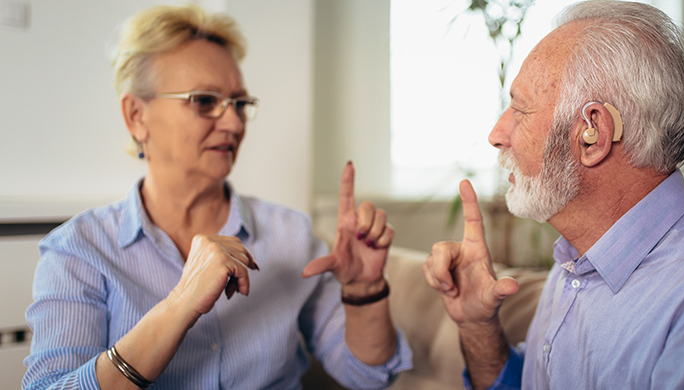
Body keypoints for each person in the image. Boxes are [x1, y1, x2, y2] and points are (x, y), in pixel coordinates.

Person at [23, 4, 411, 389]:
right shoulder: (78, 250)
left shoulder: (291, 234)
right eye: (205, 101)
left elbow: (366, 375)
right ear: (136, 116)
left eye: (239, 104)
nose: (233, 122)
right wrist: (180, 304)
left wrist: (364, 292)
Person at [422, 1, 684, 389]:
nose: (497, 134)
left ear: (593, 133)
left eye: (519, 110)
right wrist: (477, 325)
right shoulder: (576, 257)